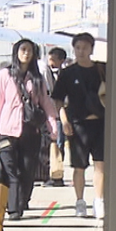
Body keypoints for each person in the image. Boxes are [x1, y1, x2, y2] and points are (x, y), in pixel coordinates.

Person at [0, 38, 59, 220]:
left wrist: (53, 127)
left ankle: (21, 200)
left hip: (30, 131)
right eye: (23, 49)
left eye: (30, 50)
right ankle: (13, 209)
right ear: (16, 52)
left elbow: (46, 102)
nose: (26, 53)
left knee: (27, 170)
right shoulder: (5, 75)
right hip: (6, 131)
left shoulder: (37, 78)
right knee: (11, 171)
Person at [51, 32, 107, 218]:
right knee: (79, 166)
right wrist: (64, 120)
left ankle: (99, 201)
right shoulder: (68, 73)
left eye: (85, 48)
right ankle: (80, 201)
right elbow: (58, 99)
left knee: (101, 165)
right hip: (77, 124)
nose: (81, 51)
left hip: (100, 123)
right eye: (77, 48)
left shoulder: (102, 70)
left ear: (91, 49)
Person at [41, 47, 68, 187]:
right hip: (51, 114)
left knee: (58, 144)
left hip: (59, 115)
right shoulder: (46, 71)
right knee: (52, 144)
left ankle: (57, 175)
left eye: (53, 60)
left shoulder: (63, 74)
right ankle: (53, 173)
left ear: (61, 61)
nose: (50, 62)